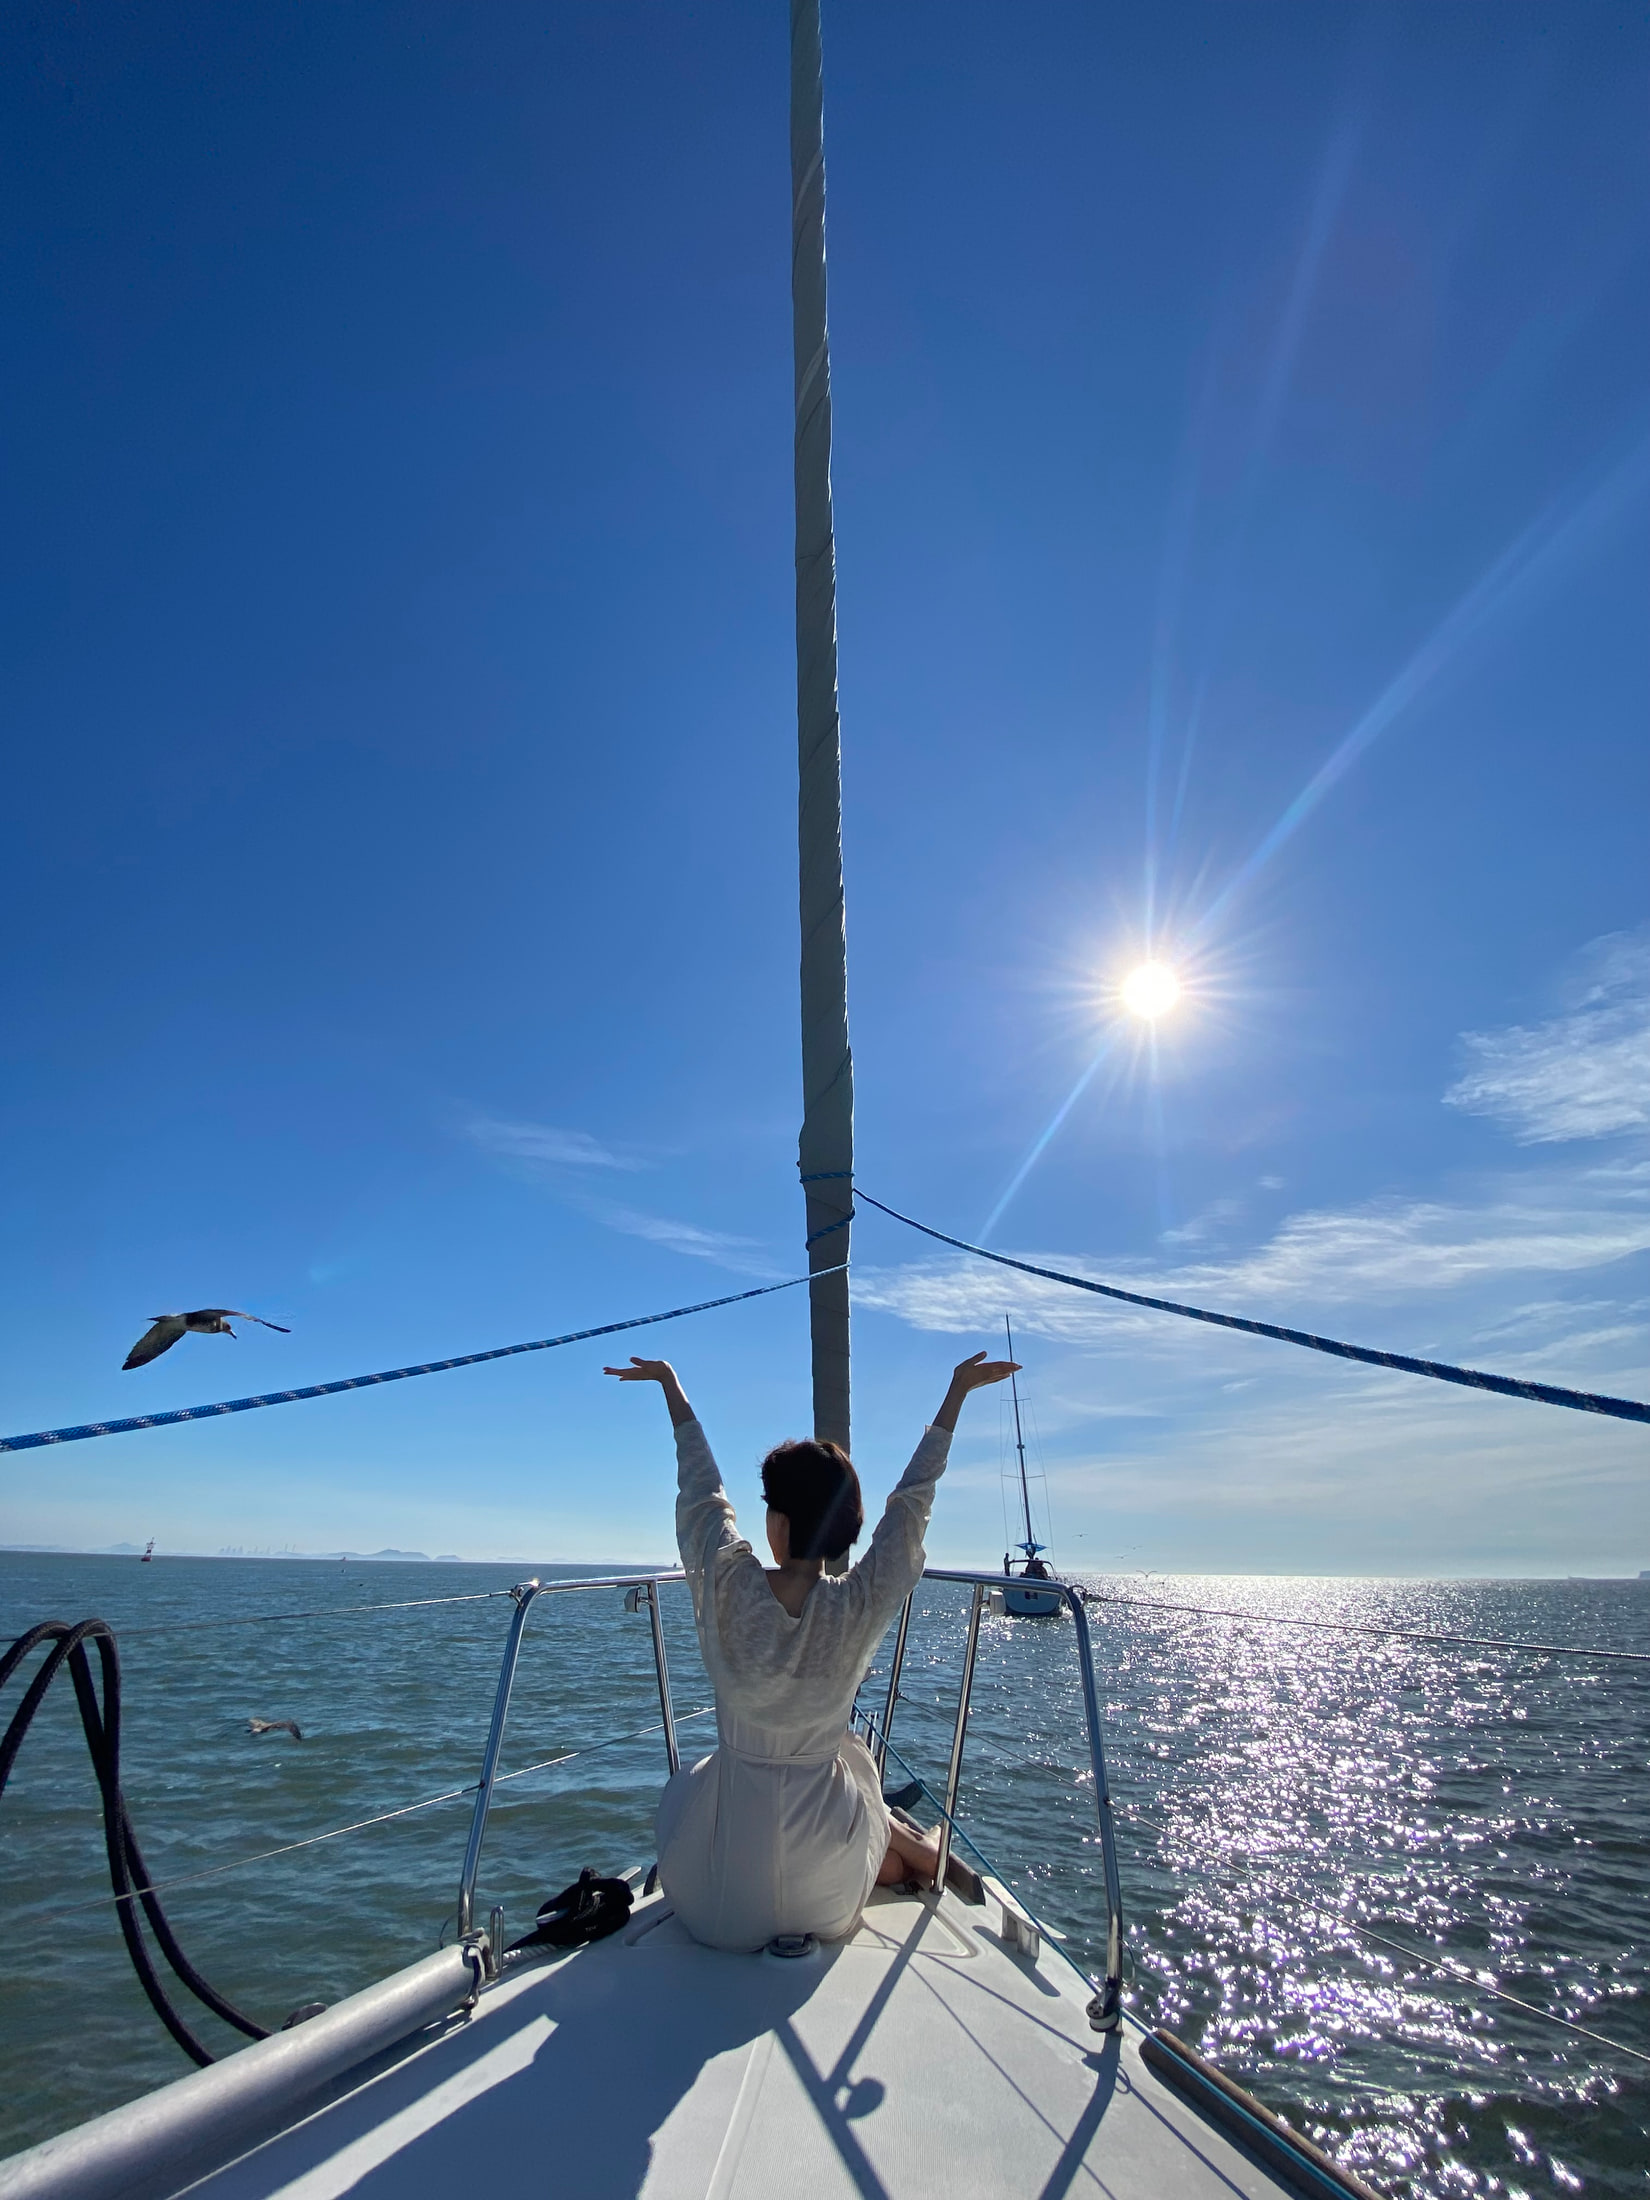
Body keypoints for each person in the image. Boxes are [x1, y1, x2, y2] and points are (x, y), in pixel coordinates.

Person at [602, 1349, 1018, 1953]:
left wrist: (672, 1387)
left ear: (779, 1521)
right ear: (842, 1526)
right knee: (853, 1761)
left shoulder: (727, 1587)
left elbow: (702, 1491)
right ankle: (914, 1852)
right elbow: (911, 1506)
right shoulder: (859, 1605)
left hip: (719, 1905)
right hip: (828, 1899)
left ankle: (908, 1852)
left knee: (688, 1791)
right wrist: (955, 1395)